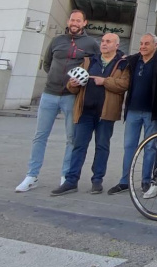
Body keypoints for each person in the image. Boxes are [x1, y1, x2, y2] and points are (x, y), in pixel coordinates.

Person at [15, 9, 99, 192]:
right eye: (72, 20)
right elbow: (47, 63)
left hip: (71, 97)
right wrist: (54, 78)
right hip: (49, 95)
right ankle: (32, 176)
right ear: (68, 21)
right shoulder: (56, 41)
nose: (74, 23)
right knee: (40, 136)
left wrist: (80, 82)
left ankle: (66, 177)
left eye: (78, 20)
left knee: (71, 138)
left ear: (84, 23)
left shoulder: (91, 44)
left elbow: (95, 66)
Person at [52, 33, 129, 196]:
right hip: (85, 112)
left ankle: (97, 181)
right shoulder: (89, 60)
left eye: (109, 41)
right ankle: (71, 181)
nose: (104, 44)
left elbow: (124, 84)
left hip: (105, 113)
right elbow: (73, 86)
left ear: (117, 45)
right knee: (78, 146)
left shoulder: (122, 63)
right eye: (103, 41)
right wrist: (72, 84)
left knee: (102, 147)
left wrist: (105, 81)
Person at [107, 33, 157, 196]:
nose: (143, 46)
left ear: (155, 45)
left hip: (151, 112)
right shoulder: (133, 60)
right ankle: (124, 181)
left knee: (150, 148)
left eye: (147, 43)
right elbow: (117, 58)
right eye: (141, 43)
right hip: (133, 111)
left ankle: (146, 181)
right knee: (129, 147)